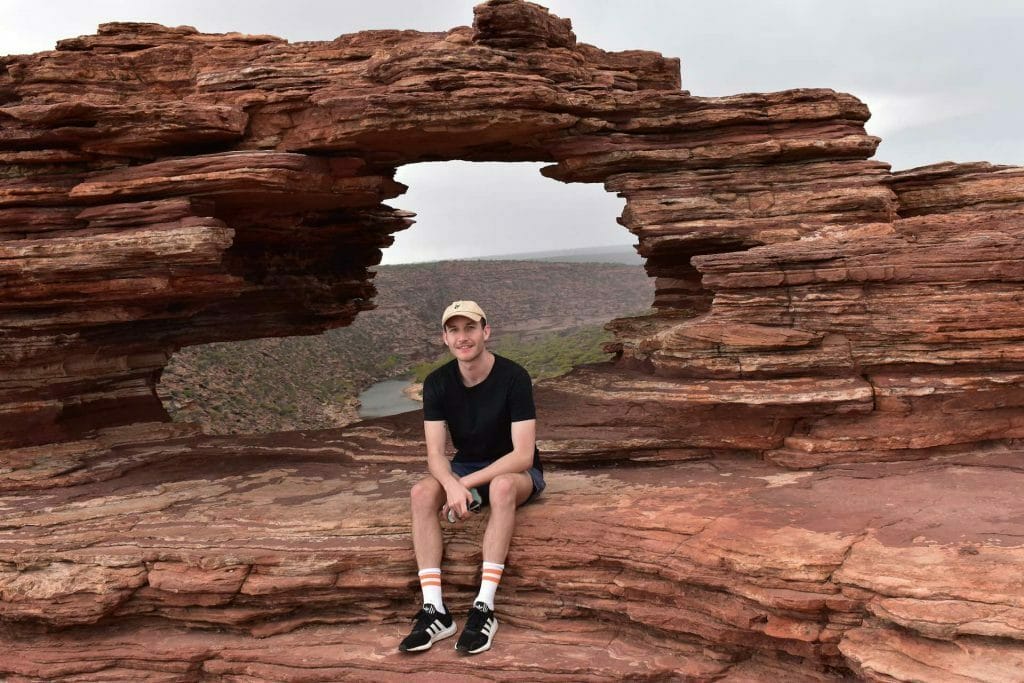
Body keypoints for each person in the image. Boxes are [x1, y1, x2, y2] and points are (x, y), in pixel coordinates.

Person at [399, 300, 545, 655]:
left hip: (516, 470)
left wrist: (464, 485)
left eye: (470, 328)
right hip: (465, 468)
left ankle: (484, 607)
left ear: (486, 331)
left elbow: (523, 454)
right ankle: (436, 610)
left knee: (502, 486)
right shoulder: (437, 383)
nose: (463, 337)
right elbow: (435, 454)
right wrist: (451, 483)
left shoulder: (513, 376)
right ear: (445, 338)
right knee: (421, 493)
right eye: (454, 330)